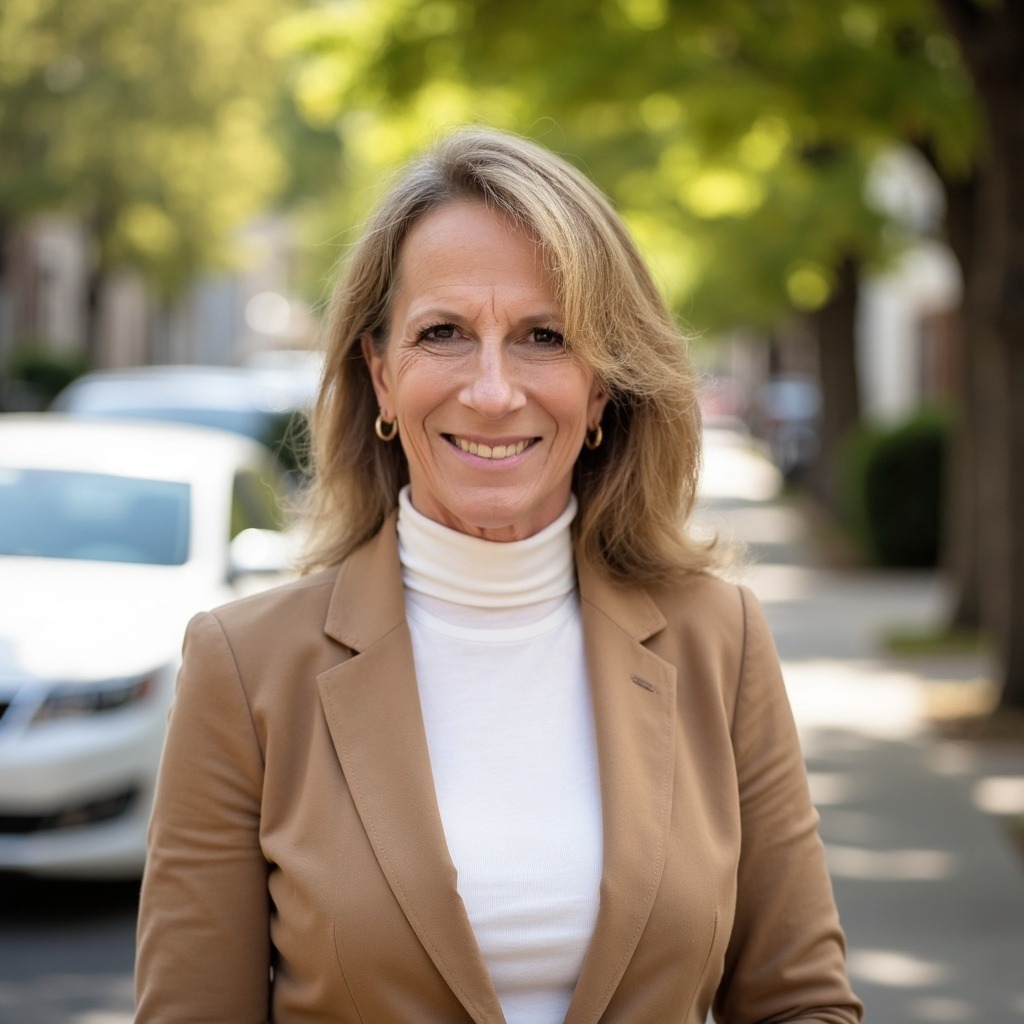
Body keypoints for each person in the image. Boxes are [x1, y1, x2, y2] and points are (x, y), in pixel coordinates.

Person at [135, 128, 862, 1024]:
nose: (491, 390)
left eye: (543, 337)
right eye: (442, 333)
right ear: (381, 374)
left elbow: (801, 1004)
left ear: (602, 388)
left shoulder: (721, 641)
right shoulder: (245, 669)